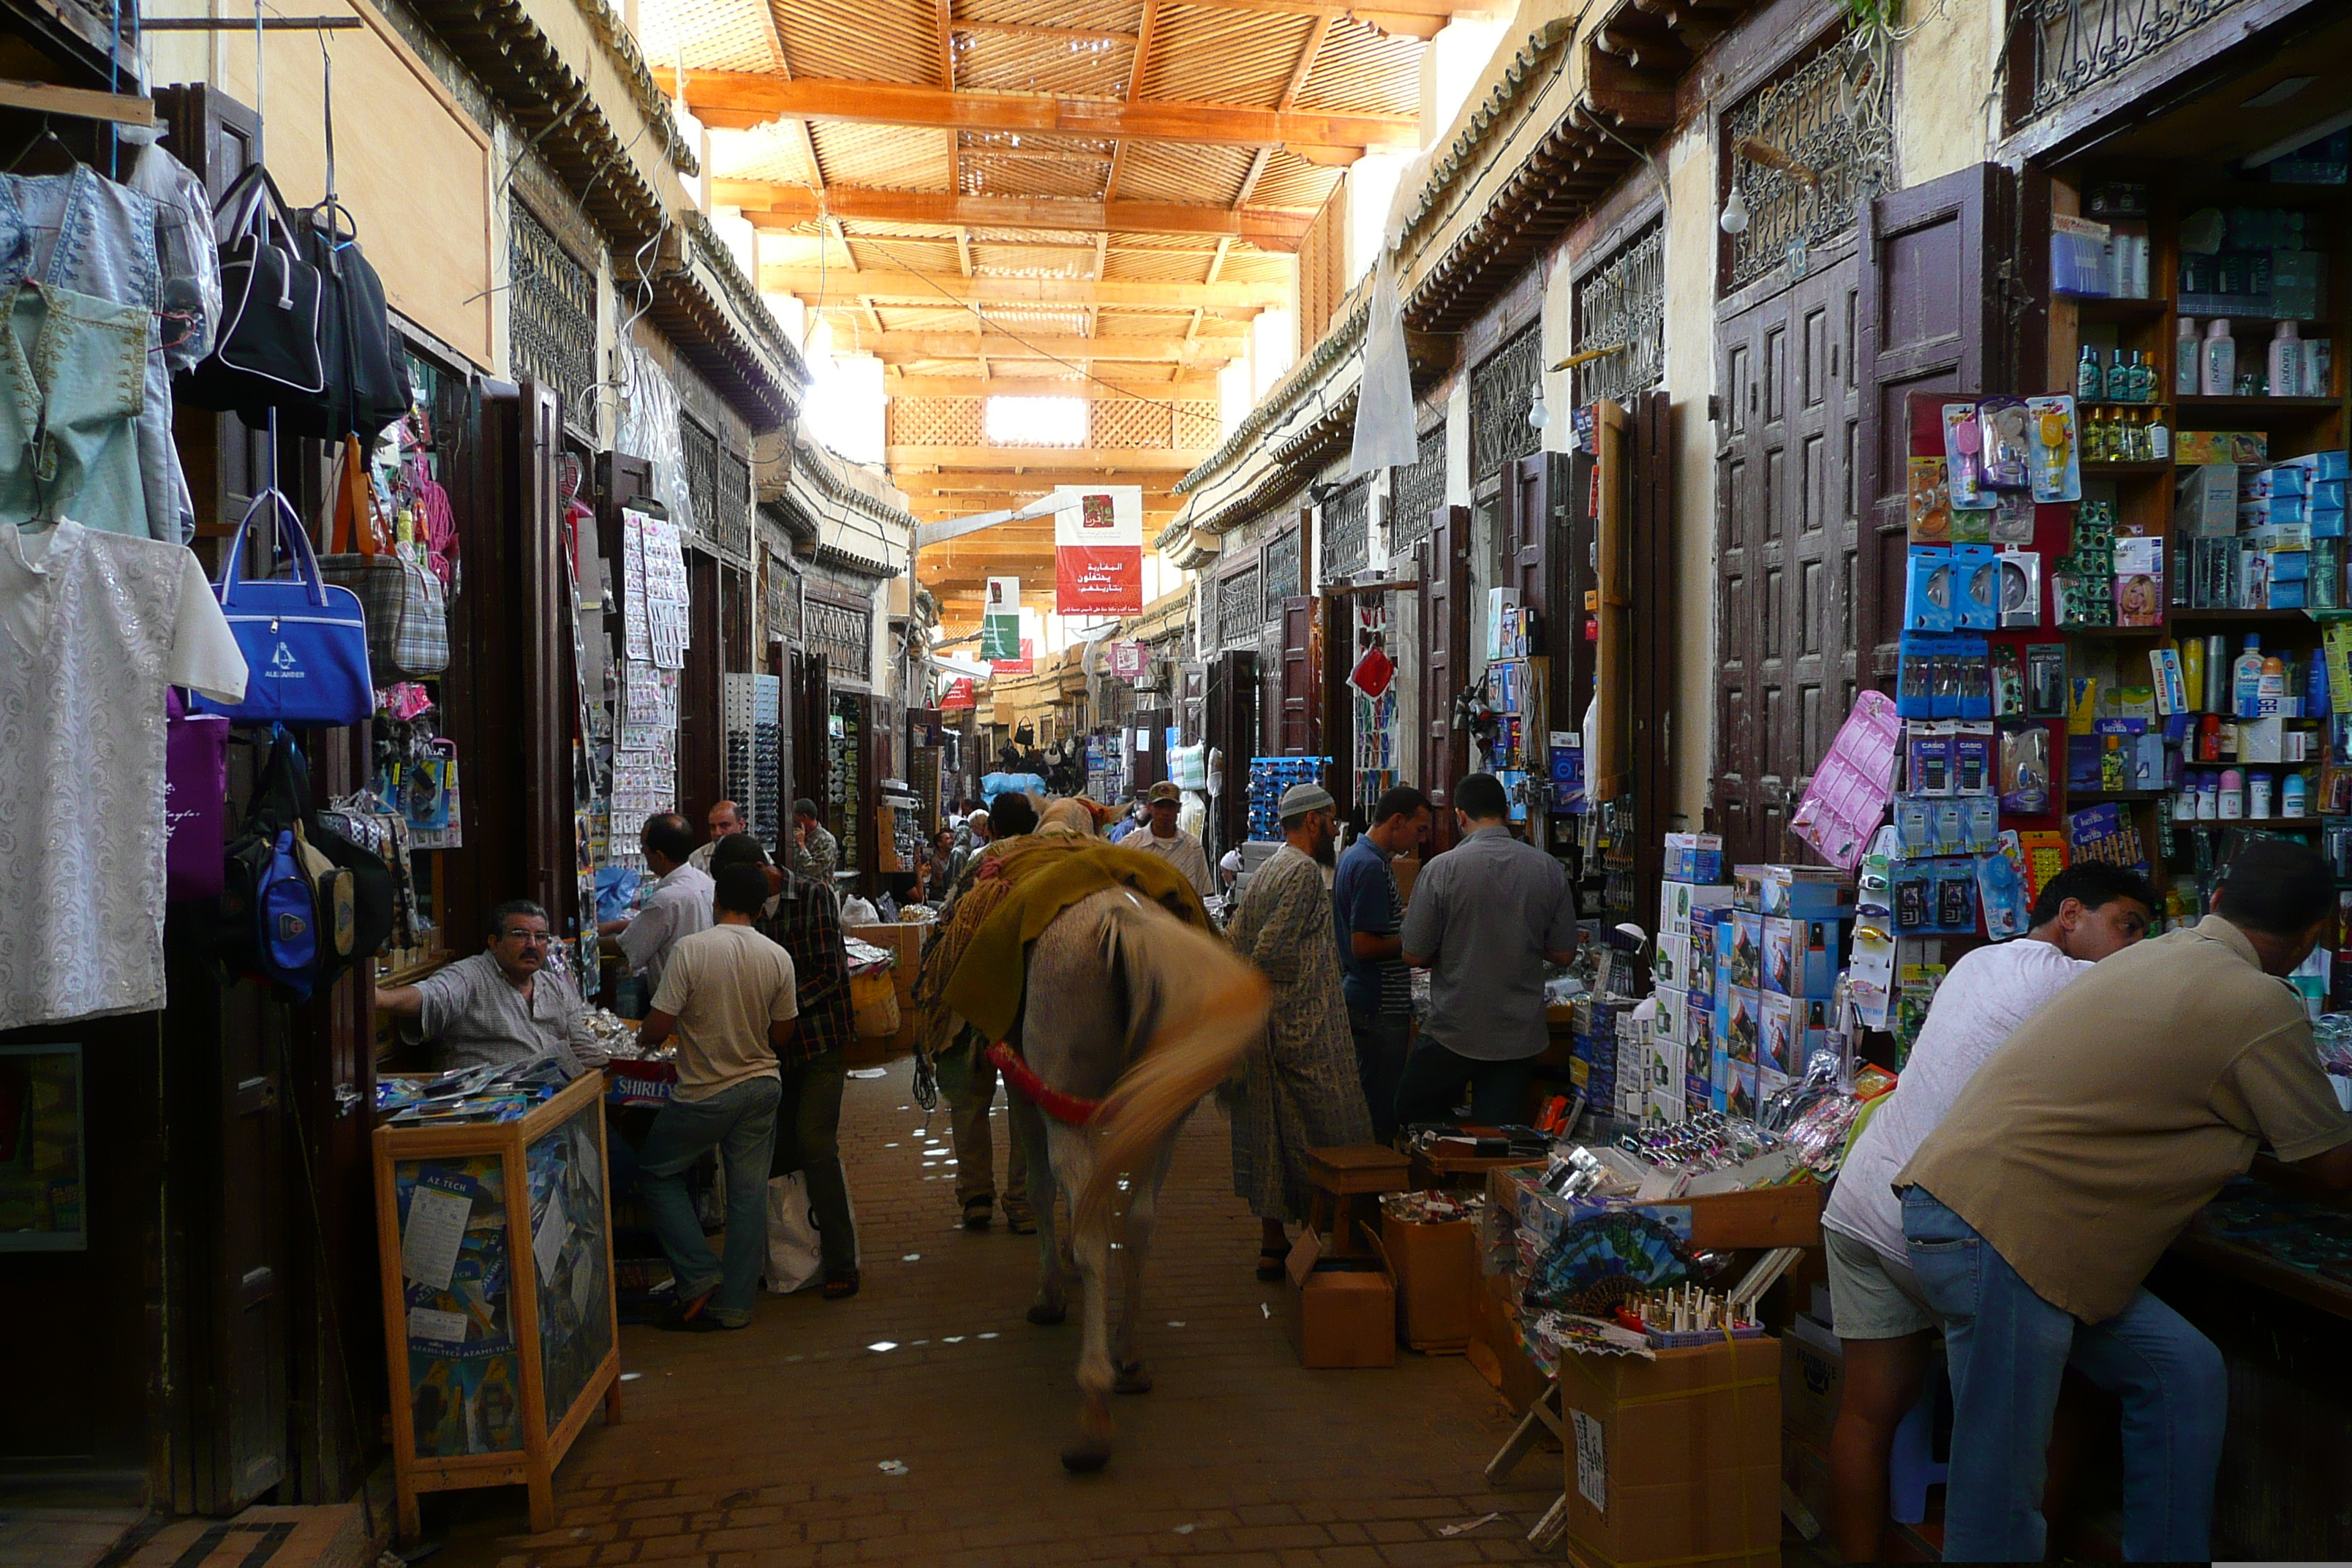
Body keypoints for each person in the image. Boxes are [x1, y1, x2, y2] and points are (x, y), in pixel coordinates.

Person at [1899, 839, 2352, 1561]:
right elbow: (2332, 1164)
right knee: (1999, 1494)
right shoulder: (2257, 1001)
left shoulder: (2153, 953)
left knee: (2181, 1371)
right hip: (2005, 1233)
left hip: (1988, 1220)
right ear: (2309, 939)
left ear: (2215, 902)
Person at [1820, 863, 2157, 1564]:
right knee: (2059, 1399)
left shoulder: (1979, 960)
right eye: (2126, 925)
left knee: (1866, 1413)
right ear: (2071, 914)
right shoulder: (2072, 982)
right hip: (1938, 1221)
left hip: (1862, 1200)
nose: (2134, 948)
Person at [634, 862, 799, 1330]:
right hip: (763, 1086)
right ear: (760, 908)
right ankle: (736, 1306)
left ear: (716, 902)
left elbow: (658, 1025)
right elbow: (782, 1034)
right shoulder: (776, 955)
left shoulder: (691, 951)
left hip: (706, 1091)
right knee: (747, 1197)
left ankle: (700, 1275)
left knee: (657, 1171)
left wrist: (643, 1040)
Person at [1227, 783, 1373, 1280]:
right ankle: (1342, 1240)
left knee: (1273, 1134)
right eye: (1331, 819)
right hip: (1305, 1026)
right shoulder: (1305, 873)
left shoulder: (1269, 867)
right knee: (1340, 1132)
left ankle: (1275, 1243)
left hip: (1269, 1024)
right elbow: (1268, 950)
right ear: (1312, 822)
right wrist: (1291, 1002)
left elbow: (1237, 941)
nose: (1335, 827)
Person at [712, 834, 864, 1300]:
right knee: (775, 1153)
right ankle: (786, 1256)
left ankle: (841, 1259)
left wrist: (778, 1006)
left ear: (764, 869)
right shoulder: (744, 910)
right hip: (771, 1051)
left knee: (816, 1146)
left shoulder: (815, 895)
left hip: (819, 1043)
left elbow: (829, 970)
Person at [1395, 772, 1577, 1127]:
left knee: (1411, 1113)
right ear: (1506, 811)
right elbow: (1564, 954)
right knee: (1498, 1139)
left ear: (1460, 816)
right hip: (1517, 1034)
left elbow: (1413, 954)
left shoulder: (1442, 870)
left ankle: (1444, 1172)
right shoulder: (1548, 869)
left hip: (1455, 1029)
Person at [946, 789, 1037, 1232]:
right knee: (1025, 1108)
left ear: (994, 829)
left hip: (976, 1001)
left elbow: (951, 917)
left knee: (969, 1101)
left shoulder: (977, 864)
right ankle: (1022, 1200)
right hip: (1028, 1001)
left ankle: (976, 1195)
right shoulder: (1049, 864)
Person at [377, 900, 603, 1073]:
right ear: (494, 942)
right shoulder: (470, 975)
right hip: (493, 1111)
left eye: (541, 937)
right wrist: (381, 998)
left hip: (553, 1108)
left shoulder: (554, 986)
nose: (532, 945)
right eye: (520, 935)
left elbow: (584, 1047)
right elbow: (433, 994)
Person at [1332, 785, 1432, 1145]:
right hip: (1378, 1006)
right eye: (1419, 829)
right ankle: (1374, 1187)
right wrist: (1416, 944)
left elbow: (1373, 922)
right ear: (1396, 820)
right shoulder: (1371, 866)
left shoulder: (1357, 856)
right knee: (1380, 1108)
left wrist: (1406, 915)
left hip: (1365, 999)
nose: (1421, 838)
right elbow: (1364, 945)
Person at [599, 813, 713, 999]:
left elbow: (628, 946)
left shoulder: (666, 899)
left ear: (660, 856)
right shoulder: (704, 882)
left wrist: (589, 943)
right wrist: (613, 926)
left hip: (675, 998)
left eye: (645, 850)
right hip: (702, 988)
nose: (644, 853)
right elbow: (667, 926)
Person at [1128, 780, 1217, 900]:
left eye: (1170, 807)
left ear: (1179, 808)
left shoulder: (1193, 848)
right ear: (1150, 808)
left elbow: (1199, 896)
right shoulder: (1130, 845)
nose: (1165, 812)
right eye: (1160, 806)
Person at [687, 799, 747, 874]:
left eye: (724, 826)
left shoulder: (756, 855)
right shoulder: (697, 859)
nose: (717, 833)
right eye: (713, 827)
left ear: (741, 825)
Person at [791, 799, 840, 884]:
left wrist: (802, 845)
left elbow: (813, 870)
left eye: (795, 819)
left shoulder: (826, 840)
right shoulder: (797, 834)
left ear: (804, 818)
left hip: (818, 893)